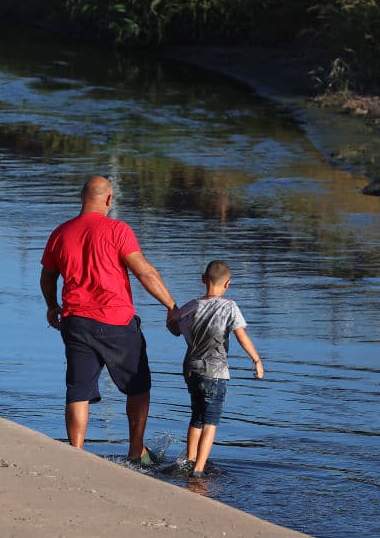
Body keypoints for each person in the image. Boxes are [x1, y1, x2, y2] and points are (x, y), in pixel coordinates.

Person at [40, 175, 176, 464]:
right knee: (138, 386)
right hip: (116, 321)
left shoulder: (60, 233)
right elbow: (144, 272)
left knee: (78, 389)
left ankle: (76, 452)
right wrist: (171, 305)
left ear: (81, 197)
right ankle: (135, 451)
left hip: (76, 320)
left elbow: (48, 276)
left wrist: (52, 307)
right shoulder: (118, 230)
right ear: (109, 200)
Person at [168, 260, 264, 478]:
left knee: (196, 416)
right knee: (211, 420)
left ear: (203, 279)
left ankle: (189, 460)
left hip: (191, 370)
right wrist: (256, 360)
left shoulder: (192, 305)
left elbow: (174, 325)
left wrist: (174, 315)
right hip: (215, 373)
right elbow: (241, 336)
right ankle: (199, 470)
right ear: (227, 283)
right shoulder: (229, 306)